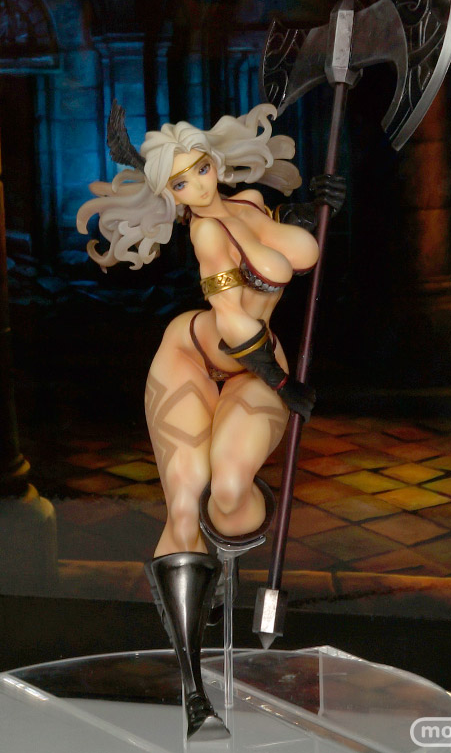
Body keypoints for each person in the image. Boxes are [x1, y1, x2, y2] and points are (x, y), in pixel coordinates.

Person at [77, 101, 344, 739]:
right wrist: (284, 384)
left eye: (200, 169)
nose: (197, 186)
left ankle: (215, 563)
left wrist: (319, 205)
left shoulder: (251, 201)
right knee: (184, 501)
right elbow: (232, 324)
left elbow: (289, 248)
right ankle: (195, 691)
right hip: (196, 355)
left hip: (256, 370)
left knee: (227, 490)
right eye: (180, 183)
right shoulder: (203, 234)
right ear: (170, 196)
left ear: (214, 162)